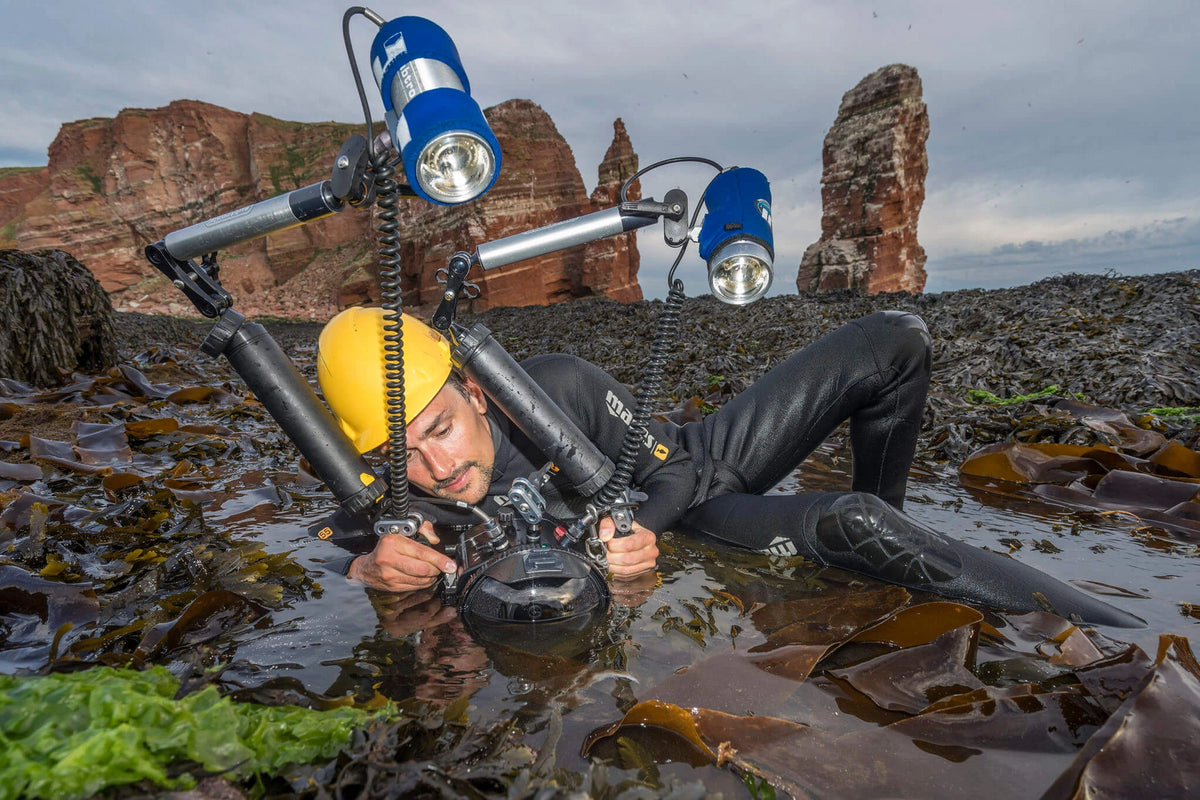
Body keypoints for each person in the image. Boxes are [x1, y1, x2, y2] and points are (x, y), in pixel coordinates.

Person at [314, 306, 1143, 628]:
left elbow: (674, 474)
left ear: (475, 392)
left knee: (896, 341)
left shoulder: (554, 386)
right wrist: (364, 568)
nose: (434, 464)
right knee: (855, 527)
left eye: (442, 429)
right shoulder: (383, 491)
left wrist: (630, 536)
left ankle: (896, 525)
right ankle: (1115, 637)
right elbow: (324, 545)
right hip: (708, 520)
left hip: (682, 474)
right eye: (401, 455)